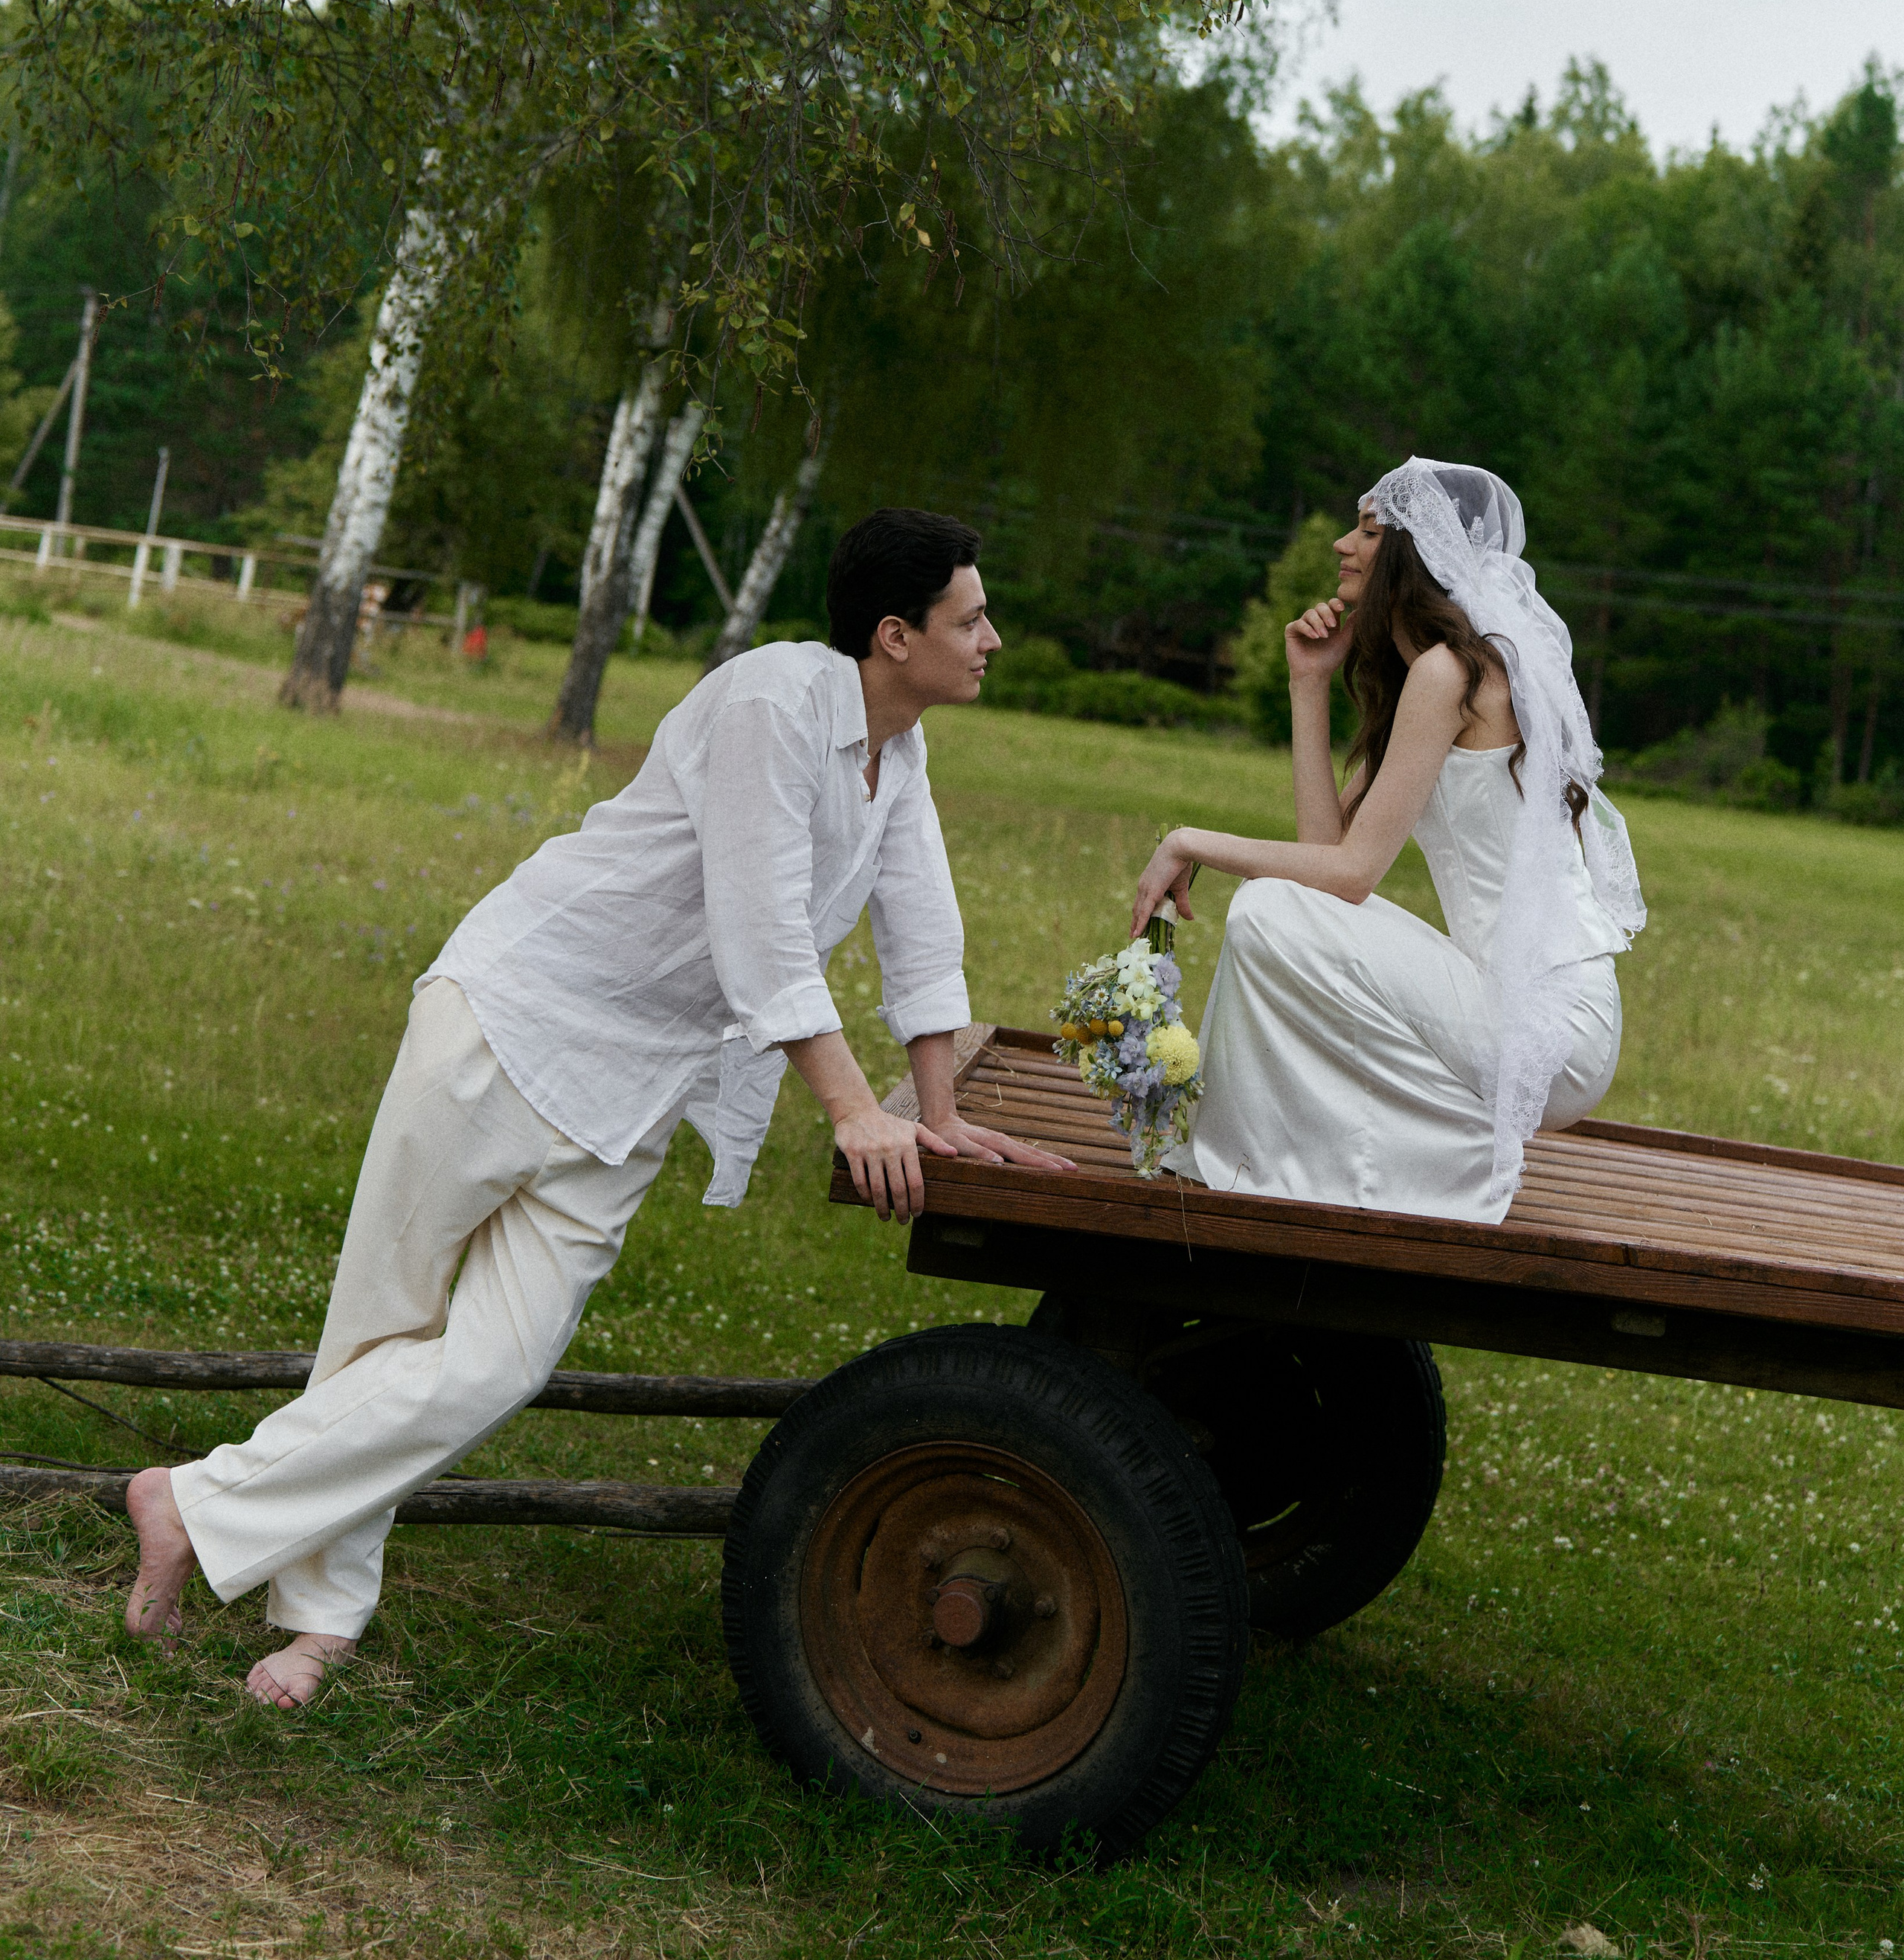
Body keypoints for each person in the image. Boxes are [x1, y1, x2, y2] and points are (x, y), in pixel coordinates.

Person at [123, 508, 1071, 1707]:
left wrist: (932, 1114)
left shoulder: (901, 751)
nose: (992, 637)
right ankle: (317, 1620)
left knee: (495, 1365)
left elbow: (923, 929)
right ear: (894, 634)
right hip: (511, 1017)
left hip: (628, 1091)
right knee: (384, 1327)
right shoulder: (771, 705)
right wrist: (847, 1110)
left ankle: (190, 1501)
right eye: (970, 617)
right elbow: (761, 933)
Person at [1130, 458, 1646, 1224]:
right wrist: (1308, 685)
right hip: (1511, 1004)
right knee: (1273, 902)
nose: (1342, 543)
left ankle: (1327, 1157)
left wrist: (1188, 838)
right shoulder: (1436, 675)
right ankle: (1291, 1150)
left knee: (1264, 909)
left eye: (1368, 530)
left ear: (1414, 552)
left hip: (1547, 1028)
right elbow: (1325, 856)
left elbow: (1347, 873)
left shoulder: (1453, 672)